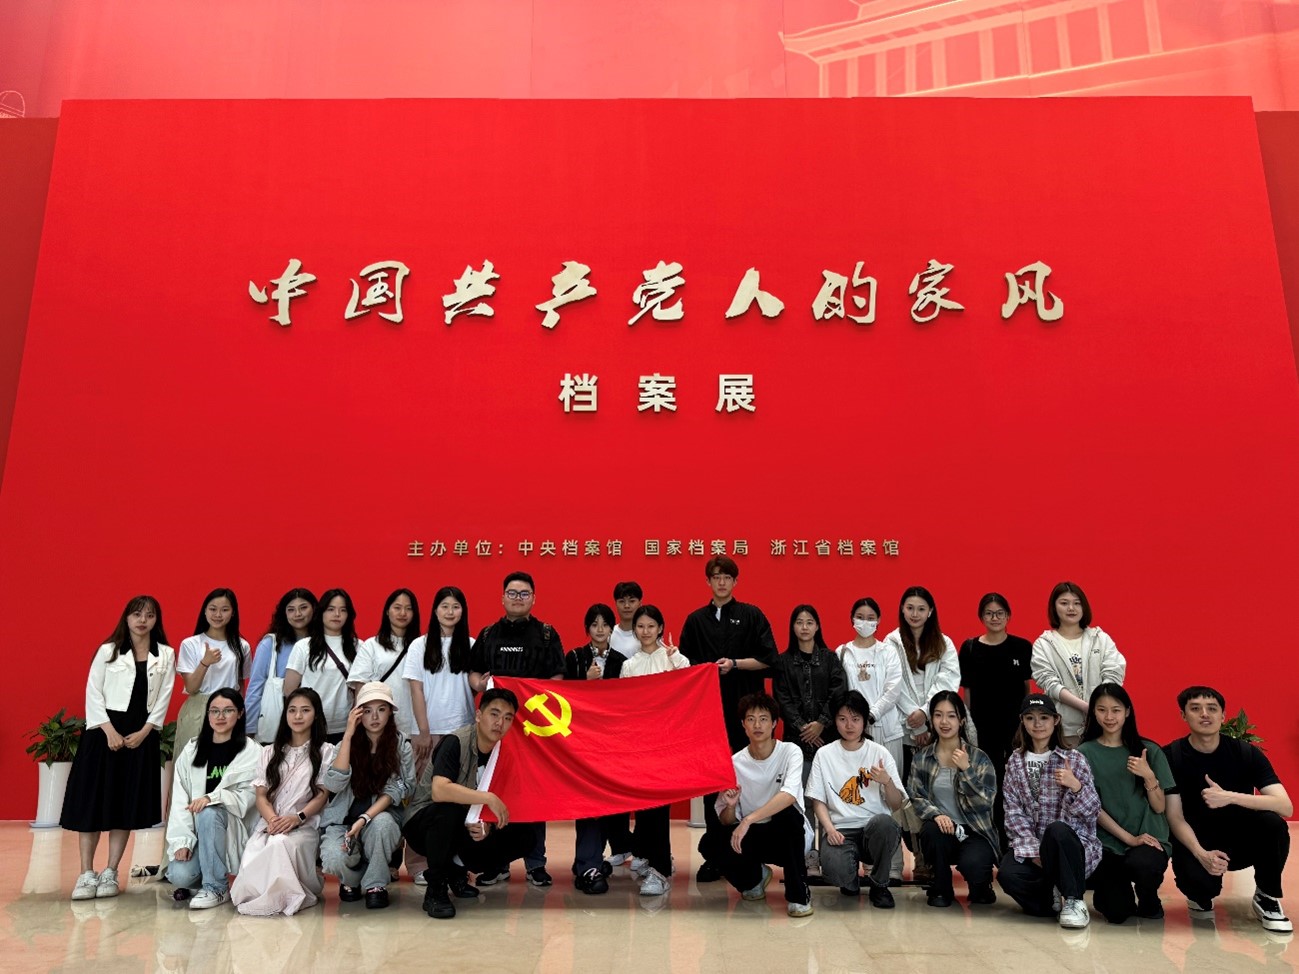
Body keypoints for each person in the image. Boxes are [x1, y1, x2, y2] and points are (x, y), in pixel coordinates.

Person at [63, 595, 176, 900]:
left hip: (140, 736)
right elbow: (93, 691)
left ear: (156, 620)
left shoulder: (165, 654)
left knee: (125, 805)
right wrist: (108, 730)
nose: (143, 620)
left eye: (149, 615)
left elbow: (164, 697)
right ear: (126, 618)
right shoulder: (108, 650)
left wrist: (145, 732)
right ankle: (86, 873)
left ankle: (111, 871)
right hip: (103, 734)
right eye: (137, 614)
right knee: (92, 803)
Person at [679, 554, 778, 881]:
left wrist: (735, 664)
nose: (721, 582)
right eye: (716, 577)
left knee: (744, 780)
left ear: (735, 582)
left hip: (746, 717)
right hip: (707, 717)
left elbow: (769, 660)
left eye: (727, 577)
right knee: (712, 784)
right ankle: (715, 855)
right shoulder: (696, 620)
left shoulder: (752, 615)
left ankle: (746, 849)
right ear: (708, 581)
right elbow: (684, 669)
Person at [1163, 685, 1292, 932]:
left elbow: (1284, 806)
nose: (1205, 714)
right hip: (1196, 841)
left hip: (1239, 839)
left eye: (1212, 709)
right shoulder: (1171, 756)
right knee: (1201, 894)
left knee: (1273, 824)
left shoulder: (1245, 753)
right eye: (1195, 708)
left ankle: (1266, 895)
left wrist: (1228, 797)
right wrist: (1202, 854)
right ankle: (1199, 893)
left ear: (1223, 716)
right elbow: (1174, 817)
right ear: (1183, 715)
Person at [402, 688, 537, 919]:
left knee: (525, 833)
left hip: (465, 824)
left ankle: (456, 869)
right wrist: (488, 798)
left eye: (507, 718)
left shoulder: (504, 752)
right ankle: (436, 889)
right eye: (494, 714)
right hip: (424, 822)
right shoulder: (455, 742)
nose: (500, 723)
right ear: (478, 715)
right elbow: (439, 790)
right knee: (448, 810)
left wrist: (489, 825)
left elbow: (508, 800)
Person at [468, 571, 564, 888]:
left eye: (524, 593)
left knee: (534, 797)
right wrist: (480, 683)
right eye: (512, 593)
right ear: (502, 597)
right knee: (497, 792)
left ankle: (537, 864)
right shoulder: (487, 635)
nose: (517, 598)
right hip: (495, 733)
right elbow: (473, 675)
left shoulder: (547, 635)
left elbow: (558, 679)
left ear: (533, 598)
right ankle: (499, 864)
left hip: (534, 734)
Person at [698, 692, 812, 917]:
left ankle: (799, 896)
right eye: (751, 719)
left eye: (763, 719)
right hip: (754, 835)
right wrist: (731, 806)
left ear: (774, 723)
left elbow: (789, 795)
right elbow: (726, 820)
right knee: (709, 843)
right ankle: (755, 878)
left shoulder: (790, 752)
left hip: (788, 837)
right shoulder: (735, 763)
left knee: (788, 815)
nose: (757, 725)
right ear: (743, 725)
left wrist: (748, 819)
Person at [997, 694, 1102, 929]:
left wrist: (1076, 786)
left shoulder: (1074, 759)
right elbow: (1013, 811)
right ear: (1022, 721)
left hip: (1069, 844)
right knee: (1007, 874)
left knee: (1057, 830)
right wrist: (1036, 851)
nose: (1038, 724)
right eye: (1030, 718)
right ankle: (1049, 898)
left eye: (1044, 717)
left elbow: (1092, 810)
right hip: (1033, 849)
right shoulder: (1015, 761)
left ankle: (1074, 900)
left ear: (1056, 720)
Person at [231, 688, 336, 916]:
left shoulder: (326, 751)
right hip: (270, 823)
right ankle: (269, 896)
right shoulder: (269, 752)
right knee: (260, 848)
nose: (298, 716)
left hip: (304, 825)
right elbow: (261, 795)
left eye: (305, 710)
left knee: (279, 844)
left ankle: (286, 897)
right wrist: (273, 820)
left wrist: (297, 818)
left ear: (316, 715)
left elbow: (322, 794)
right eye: (292, 710)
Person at [1077, 683, 1173, 923]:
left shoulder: (1149, 750)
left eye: (1116, 710)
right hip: (1107, 842)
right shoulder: (1084, 753)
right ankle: (1117, 891)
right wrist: (1129, 839)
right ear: (1093, 713)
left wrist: (1148, 776)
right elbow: (1093, 808)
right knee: (1117, 911)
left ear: (1128, 711)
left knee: (1143, 865)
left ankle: (1149, 896)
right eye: (1102, 710)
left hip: (1148, 838)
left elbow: (1160, 807)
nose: (1109, 717)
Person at [884, 585, 960, 880]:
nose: (914, 614)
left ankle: (932, 855)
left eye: (921, 608)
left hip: (936, 729)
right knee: (905, 797)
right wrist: (915, 722)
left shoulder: (944, 643)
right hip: (902, 731)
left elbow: (948, 680)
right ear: (902, 610)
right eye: (909, 608)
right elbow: (892, 684)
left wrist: (926, 715)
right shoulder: (891, 642)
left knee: (933, 794)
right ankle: (917, 856)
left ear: (930, 612)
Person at [806, 690, 905, 909]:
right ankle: (849, 880)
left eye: (855, 719)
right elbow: (818, 800)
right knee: (836, 870)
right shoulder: (825, 754)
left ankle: (880, 885)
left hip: (873, 829)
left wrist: (887, 782)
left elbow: (896, 804)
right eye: (842, 719)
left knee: (885, 824)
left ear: (864, 721)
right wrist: (830, 829)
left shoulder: (879, 753)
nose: (849, 725)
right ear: (835, 721)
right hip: (840, 831)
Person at [403, 585, 475, 884]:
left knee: (458, 802)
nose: (450, 611)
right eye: (444, 606)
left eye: (456, 606)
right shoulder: (419, 645)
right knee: (422, 801)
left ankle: (454, 862)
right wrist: (423, 731)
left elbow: (476, 684)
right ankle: (419, 865)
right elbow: (416, 689)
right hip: (427, 734)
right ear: (435, 611)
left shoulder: (471, 644)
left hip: (462, 735)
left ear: (463, 612)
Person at [319, 683, 415, 909]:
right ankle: (353, 879)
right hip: (343, 821)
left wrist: (364, 818)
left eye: (381, 709)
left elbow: (403, 787)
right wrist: (348, 736)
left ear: (390, 712)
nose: (374, 717)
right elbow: (333, 784)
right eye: (368, 710)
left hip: (380, 817)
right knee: (332, 858)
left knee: (382, 825)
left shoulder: (401, 746)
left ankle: (376, 884)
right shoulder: (345, 744)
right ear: (358, 714)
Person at [165, 686, 261, 909]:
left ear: (240, 713)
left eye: (228, 710)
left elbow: (249, 797)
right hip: (200, 833)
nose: (220, 716)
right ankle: (208, 875)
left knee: (209, 812)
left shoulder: (252, 752)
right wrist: (182, 841)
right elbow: (180, 800)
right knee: (180, 875)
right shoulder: (192, 751)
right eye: (214, 711)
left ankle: (216, 888)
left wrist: (212, 798)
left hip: (233, 828)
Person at [834, 596, 905, 881]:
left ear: (879, 621)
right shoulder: (842, 652)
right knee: (860, 794)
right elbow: (840, 692)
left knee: (889, 793)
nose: (865, 622)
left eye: (871, 617)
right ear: (852, 620)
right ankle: (864, 863)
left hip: (886, 730)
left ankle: (893, 866)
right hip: (853, 733)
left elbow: (893, 689)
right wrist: (856, 722)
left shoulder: (888, 651)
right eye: (860, 617)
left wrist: (870, 716)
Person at [621, 604, 690, 896]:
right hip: (640, 746)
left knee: (660, 810)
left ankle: (660, 870)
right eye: (640, 626)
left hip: (667, 745)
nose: (646, 631)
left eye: (651, 626)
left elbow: (690, 689)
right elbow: (624, 706)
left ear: (661, 628)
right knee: (644, 807)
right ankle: (650, 857)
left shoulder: (673, 657)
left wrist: (677, 661)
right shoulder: (630, 665)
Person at [908, 691, 1000, 908]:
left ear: (962, 720)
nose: (944, 722)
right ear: (931, 720)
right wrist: (936, 815)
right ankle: (941, 888)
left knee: (976, 872)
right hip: (943, 829)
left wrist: (967, 770)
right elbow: (916, 796)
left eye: (951, 716)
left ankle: (981, 884)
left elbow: (985, 803)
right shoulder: (922, 758)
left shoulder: (979, 758)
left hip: (975, 831)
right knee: (931, 831)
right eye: (938, 715)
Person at [773, 603, 845, 874]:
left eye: (809, 622)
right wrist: (805, 728)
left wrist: (821, 724)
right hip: (796, 743)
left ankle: (831, 853)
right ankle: (808, 855)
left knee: (828, 800)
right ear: (793, 627)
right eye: (799, 622)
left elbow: (838, 692)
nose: (804, 627)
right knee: (802, 801)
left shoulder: (830, 658)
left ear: (817, 626)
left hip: (827, 742)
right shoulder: (783, 661)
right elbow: (782, 699)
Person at [563, 602, 626, 894]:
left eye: (605, 624)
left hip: (612, 743)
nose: (600, 630)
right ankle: (588, 864)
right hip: (581, 742)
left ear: (612, 628)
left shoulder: (623, 661)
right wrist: (584, 681)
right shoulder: (574, 657)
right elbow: (562, 696)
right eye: (594, 624)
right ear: (587, 628)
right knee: (588, 801)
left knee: (608, 803)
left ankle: (590, 860)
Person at [958, 592, 1031, 836]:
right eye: (989, 613)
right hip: (983, 728)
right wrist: (968, 726)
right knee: (989, 780)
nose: (995, 618)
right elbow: (967, 691)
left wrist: (1026, 722)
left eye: (1000, 613)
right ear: (981, 617)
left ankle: (1017, 833)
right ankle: (991, 833)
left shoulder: (1022, 647)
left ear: (1008, 616)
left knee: (1017, 780)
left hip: (1015, 728)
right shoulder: (970, 648)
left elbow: (1026, 688)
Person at [1030, 582, 1125, 747]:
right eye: (1064, 603)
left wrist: (1100, 707)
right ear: (1054, 607)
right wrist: (1086, 707)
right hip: (1065, 729)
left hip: (1103, 725)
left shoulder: (1100, 638)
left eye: (1077, 603)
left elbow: (1114, 672)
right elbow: (1048, 682)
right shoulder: (1044, 644)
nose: (1071, 608)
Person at [175, 588, 251, 757]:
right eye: (213, 609)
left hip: (229, 708)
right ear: (204, 611)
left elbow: (241, 685)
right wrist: (205, 663)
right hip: (198, 708)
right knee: (192, 760)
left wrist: (240, 713)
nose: (218, 614)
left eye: (224, 610)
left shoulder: (242, 646)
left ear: (233, 613)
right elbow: (191, 687)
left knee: (226, 760)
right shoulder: (191, 644)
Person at [284, 588, 359, 743]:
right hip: (310, 724)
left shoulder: (359, 647)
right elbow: (289, 690)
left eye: (343, 610)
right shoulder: (304, 646)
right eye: (331, 609)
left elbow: (361, 688)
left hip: (345, 725)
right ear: (321, 612)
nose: (337, 614)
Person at [246, 589, 316, 743]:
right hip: (277, 724)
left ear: (314, 609)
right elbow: (255, 687)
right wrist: (249, 728)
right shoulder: (270, 644)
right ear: (284, 613)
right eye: (291, 610)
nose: (297, 614)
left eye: (303, 608)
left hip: (317, 722)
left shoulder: (323, 643)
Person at [350, 588, 421, 738]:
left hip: (414, 725)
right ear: (387, 611)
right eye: (397, 608)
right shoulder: (371, 645)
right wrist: (362, 723)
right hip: (378, 725)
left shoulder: (422, 646)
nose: (403, 613)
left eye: (408, 609)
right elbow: (361, 687)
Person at [609, 580, 643, 659]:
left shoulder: (648, 634)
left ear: (640, 603)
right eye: (622, 601)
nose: (627, 606)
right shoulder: (608, 635)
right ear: (616, 604)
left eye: (632, 601)